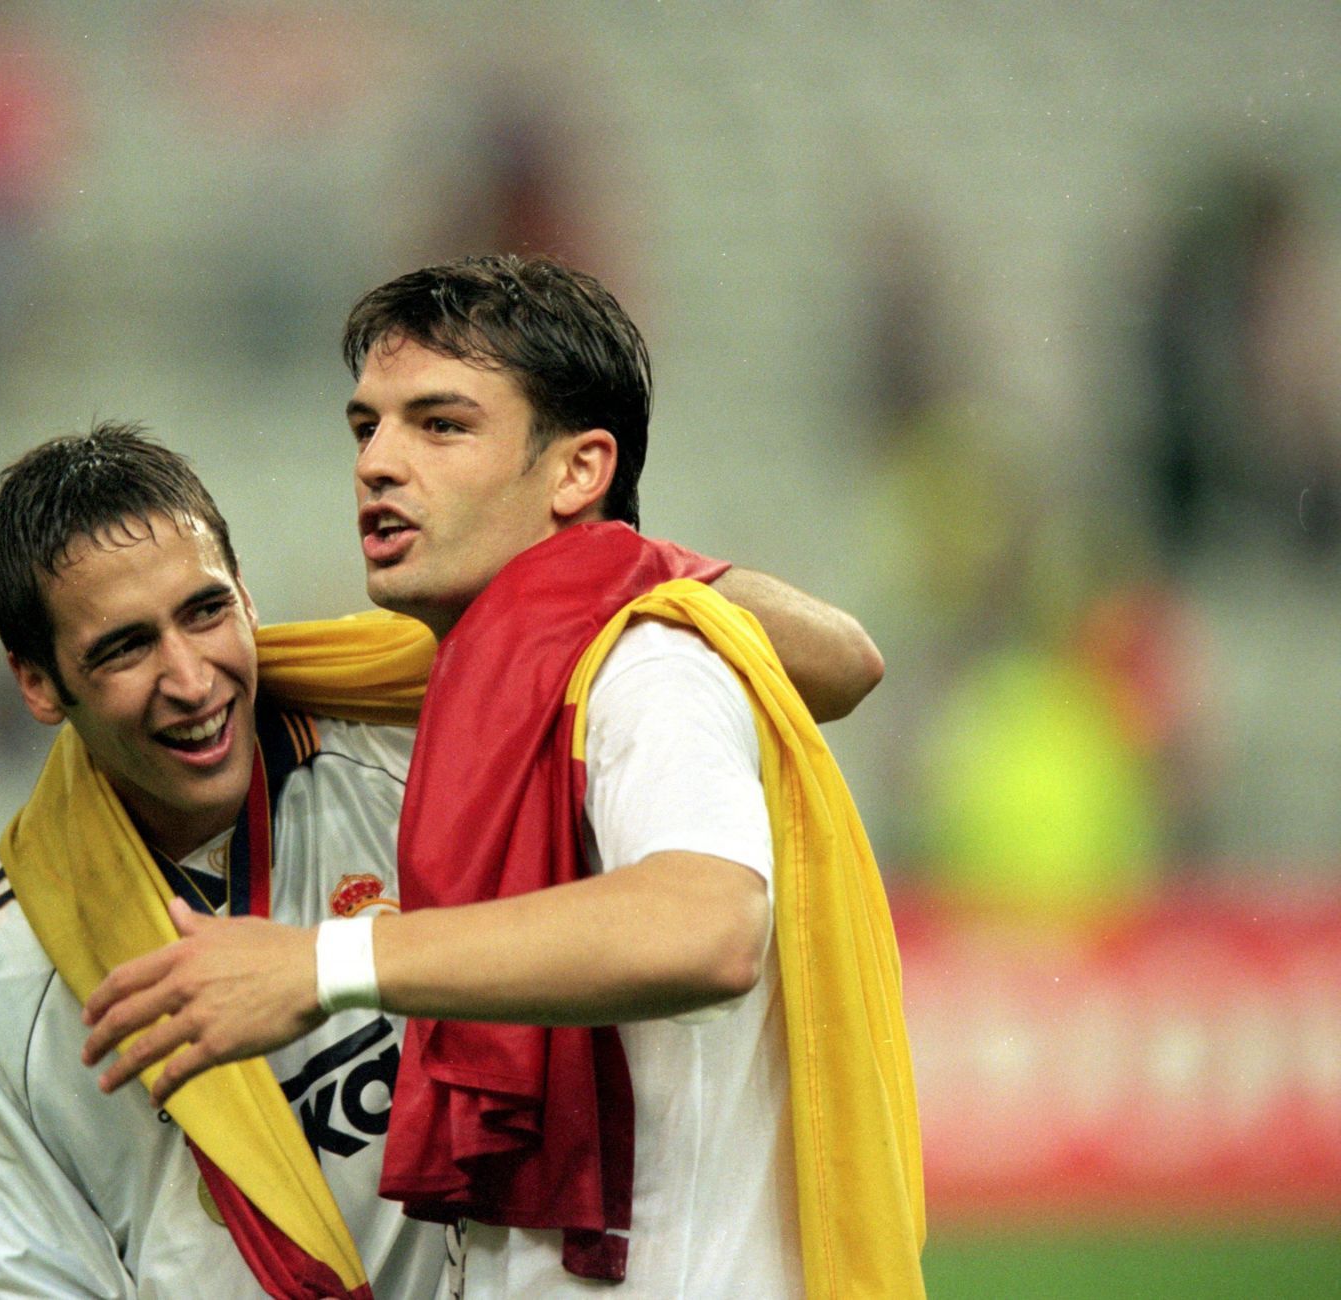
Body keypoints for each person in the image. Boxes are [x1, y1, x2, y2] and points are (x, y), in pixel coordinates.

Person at [82, 257, 924, 1299]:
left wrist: (324, 965)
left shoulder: (643, 667)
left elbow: (708, 928)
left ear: (578, 471)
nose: (378, 463)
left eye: (440, 426)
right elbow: (845, 659)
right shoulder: (483, 679)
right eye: (366, 427)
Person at [0, 418, 887, 1298]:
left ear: (247, 596)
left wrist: (601, 569)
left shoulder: (422, 737)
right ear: (38, 684)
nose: (188, 676)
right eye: (124, 648)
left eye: (205, 612)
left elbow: (836, 664)